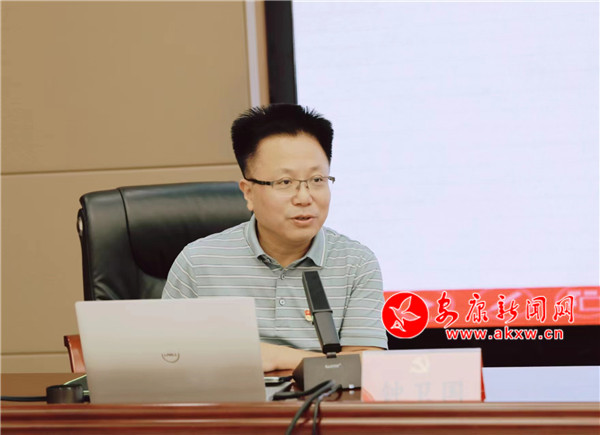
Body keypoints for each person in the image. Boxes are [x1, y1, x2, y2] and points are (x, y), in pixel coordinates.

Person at [163, 104, 387, 371]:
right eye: (285, 182)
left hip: (324, 398)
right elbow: (167, 358)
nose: (304, 198)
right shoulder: (198, 262)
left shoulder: (356, 263)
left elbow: (367, 366)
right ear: (248, 192)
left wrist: (278, 357)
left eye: (317, 180)